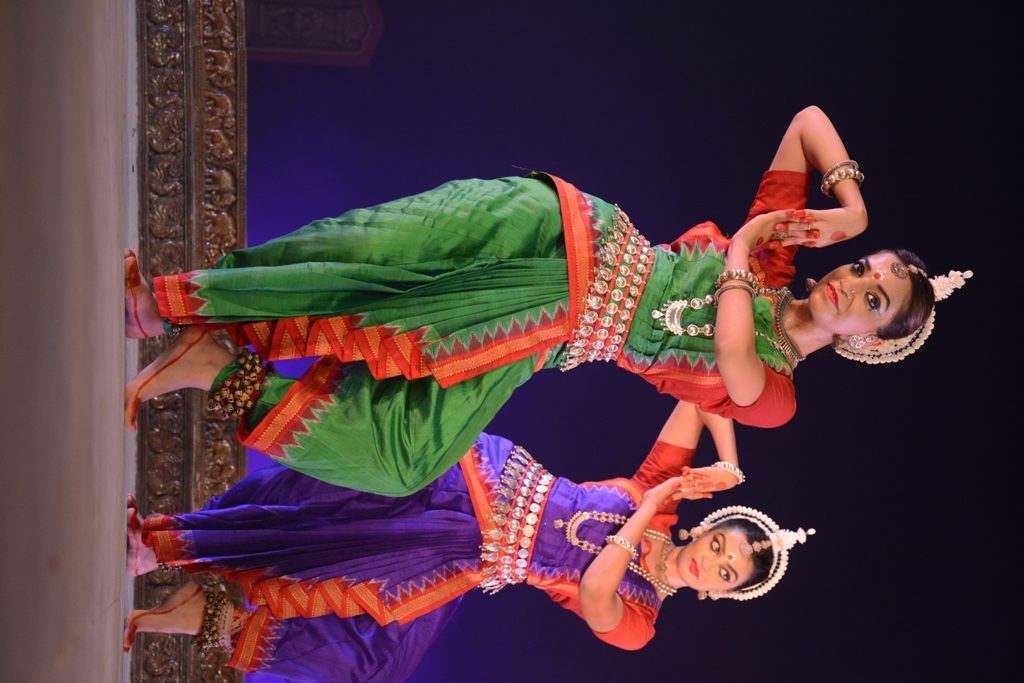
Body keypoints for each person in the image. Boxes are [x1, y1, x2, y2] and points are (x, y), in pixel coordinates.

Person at [124, 105, 968, 495]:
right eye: (868, 267)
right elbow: (808, 121)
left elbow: (734, 356)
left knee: (404, 455)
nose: (856, 279)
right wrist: (852, 205)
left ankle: (216, 366)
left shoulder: (777, 386)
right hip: (561, 234)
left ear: (869, 342)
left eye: (874, 299)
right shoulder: (784, 256)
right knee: (374, 252)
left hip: (546, 330)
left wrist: (745, 246)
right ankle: (183, 303)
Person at [123, 402, 812, 681]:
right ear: (710, 527)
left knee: (345, 605)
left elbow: (597, 588)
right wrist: (729, 460)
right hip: (478, 469)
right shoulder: (659, 502)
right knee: (319, 494)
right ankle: (162, 539)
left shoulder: (642, 618)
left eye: (726, 573)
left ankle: (180, 579)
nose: (713, 561)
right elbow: (699, 389)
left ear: (720, 595)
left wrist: (653, 502)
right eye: (722, 546)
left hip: (461, 549)